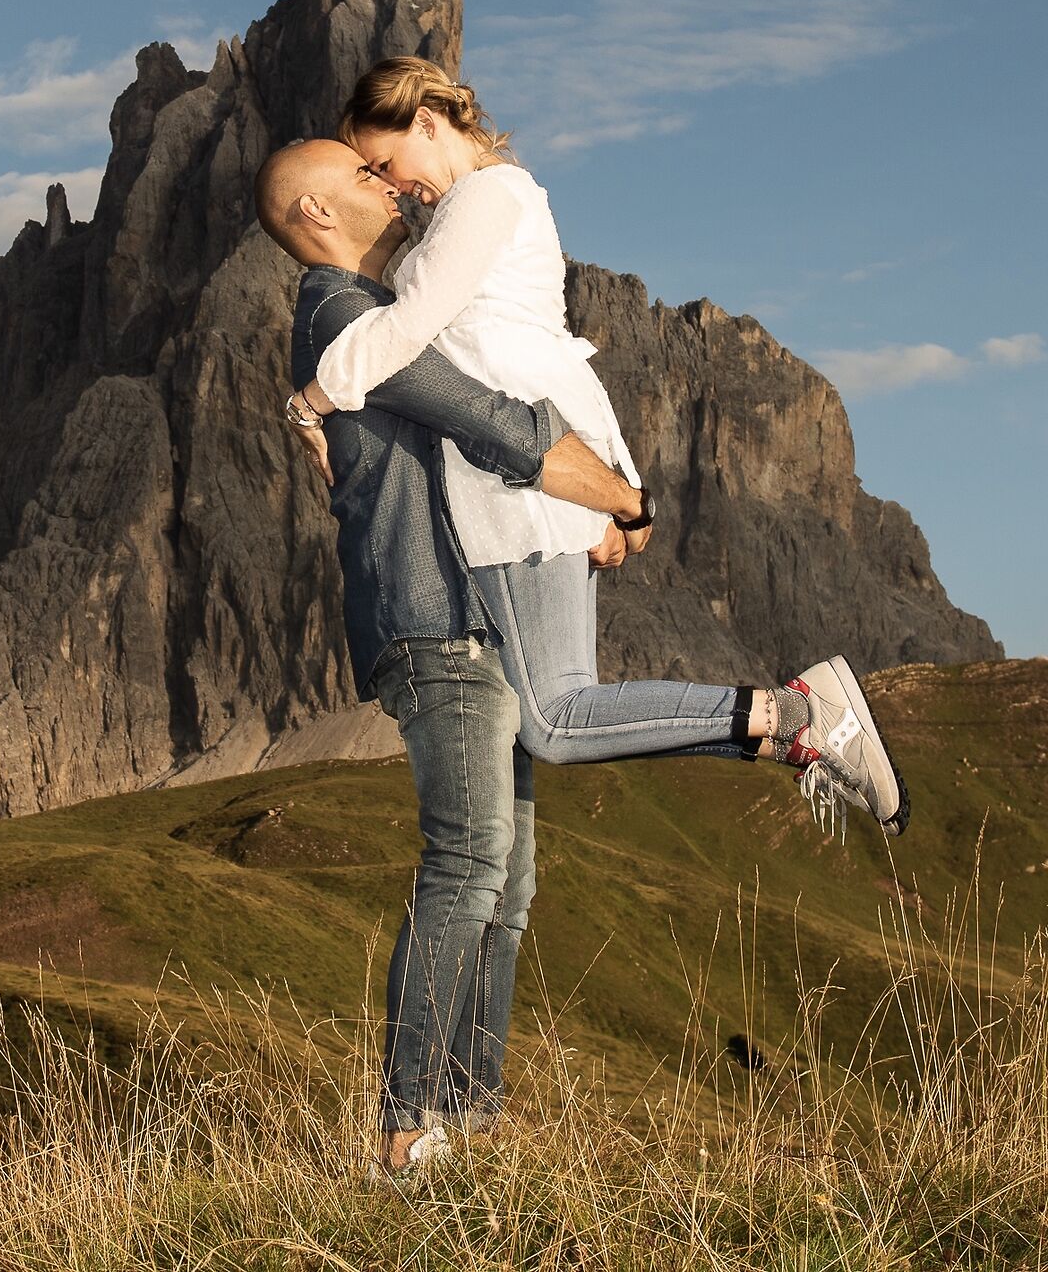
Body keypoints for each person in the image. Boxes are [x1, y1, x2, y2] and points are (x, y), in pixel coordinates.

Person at [251, 138, 885, 1180]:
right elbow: (490, 423)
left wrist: (576, 505)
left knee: (508, 888)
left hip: (482, 616)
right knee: (464, 866)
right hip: (436, 625)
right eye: (365, 177)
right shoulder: (341, 318)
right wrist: (623, 498)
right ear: (317, 214)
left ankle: (473, 1122)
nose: (391, 183)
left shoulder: (396, 310)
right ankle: (408, 1133)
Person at [286, 58, 904, 843]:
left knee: (551, 718)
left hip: (520, 488)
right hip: (530, 480)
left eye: (386, 163)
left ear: (428, 124)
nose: (392, 184)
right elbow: (553, 356)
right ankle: (797, 731)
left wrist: (310, 400)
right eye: (371, 174)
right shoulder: (465, 213)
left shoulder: (489, 195)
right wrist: (619, 479)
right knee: (558, 709)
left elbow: (408, 336)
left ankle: (796, 713)